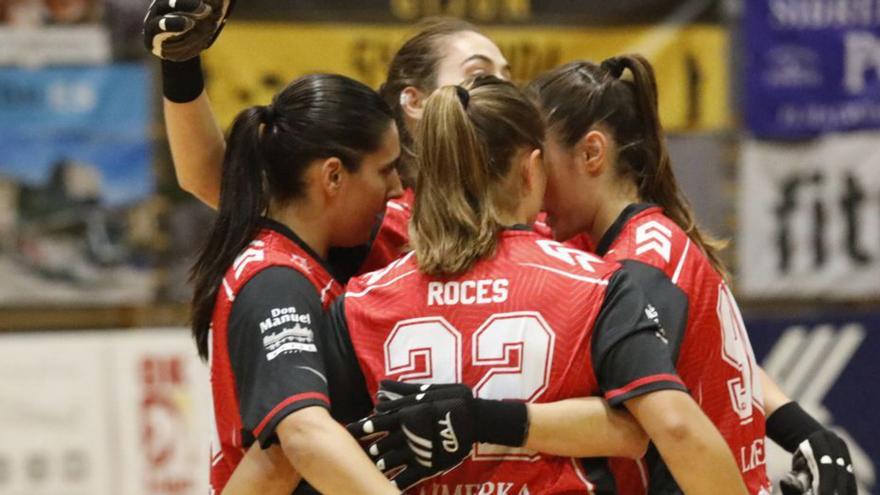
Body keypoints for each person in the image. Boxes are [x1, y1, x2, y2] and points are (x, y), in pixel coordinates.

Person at [526, 55, 856, 495]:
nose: (532, 182)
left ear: (591, 153)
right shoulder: (644, 241)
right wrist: (802, 429)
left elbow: (658, 427)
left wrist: (488, 421)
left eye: (540, 163)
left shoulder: (640, 268)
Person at [190, 73, 403, 494]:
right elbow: (303, 437)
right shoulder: (277, 283)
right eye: (386, 170)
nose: (396, 188)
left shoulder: (301, 265)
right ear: (333, 177)